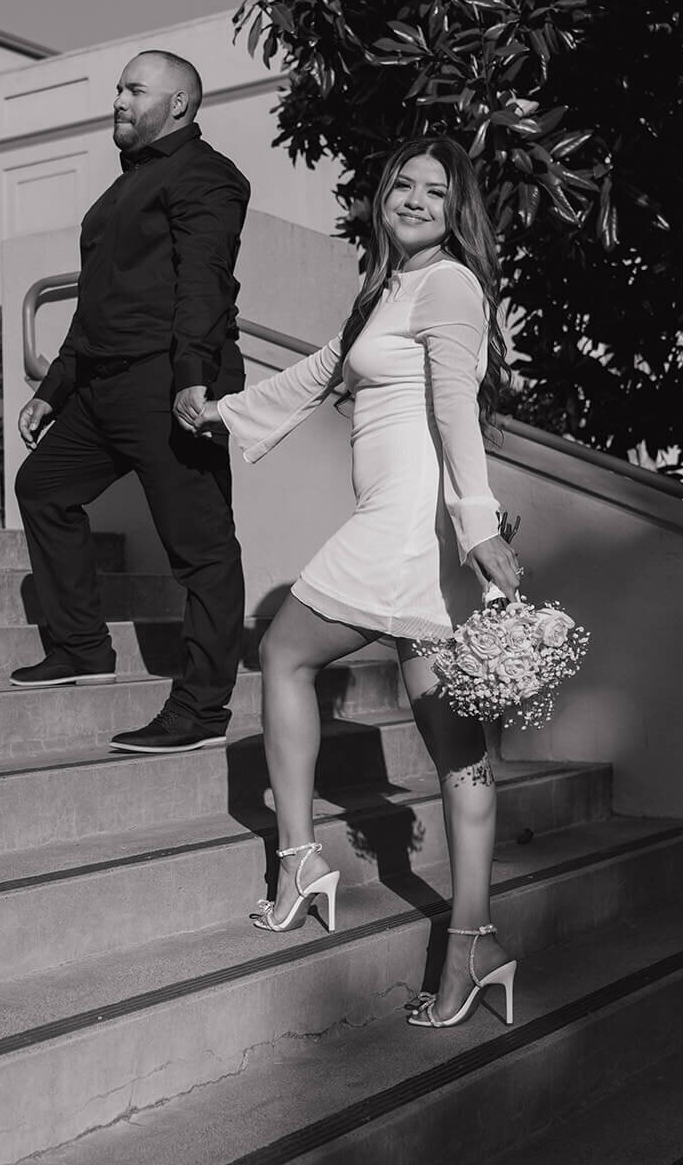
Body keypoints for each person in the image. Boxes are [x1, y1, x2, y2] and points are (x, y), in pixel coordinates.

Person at [178, 136, 523, 1028]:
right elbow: (320, 371)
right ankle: (472, 944)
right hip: (418, 530)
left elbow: (454, 408)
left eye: (434, 191)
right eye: (401, 183)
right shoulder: (389, 287)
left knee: (286, 651)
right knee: (455, 745)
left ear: (458, 211)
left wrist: (476, 524)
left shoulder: (446, 284)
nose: (412, 199)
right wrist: (222, 410)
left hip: (407, 525)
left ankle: (299, 857)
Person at [11, 49, 251, 755]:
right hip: (102, 386)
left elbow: (205, 284)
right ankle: (81, 647)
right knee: (43, 487)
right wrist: (54, 389)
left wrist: (191, 376)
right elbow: (96, 306)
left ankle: (202, 707)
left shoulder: (207, 177)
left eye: (133, 89)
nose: (116, 99)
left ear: (177, 103)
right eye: (117, 88)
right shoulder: (119, 193)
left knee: (201, 549)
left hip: (168, 383)